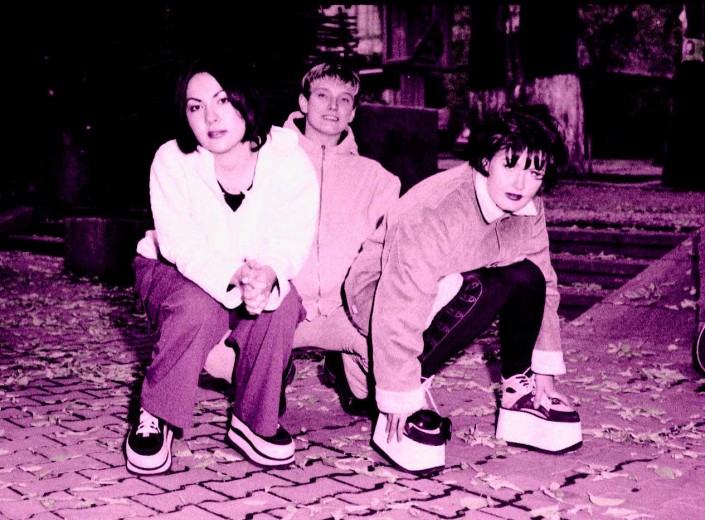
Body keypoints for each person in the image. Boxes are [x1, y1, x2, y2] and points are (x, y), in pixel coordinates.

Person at [344, 104, 582, 474]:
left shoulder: (530, 208)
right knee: (481, 288)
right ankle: (382, 373)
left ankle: (518, 394)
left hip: (448, 285)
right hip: (378, 297)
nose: (520, 184)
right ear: (486, 160)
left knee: (527, 277)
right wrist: (399, 395)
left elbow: (545, 285)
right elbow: (399, 301)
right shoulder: (436, 210)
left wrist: (544, 377)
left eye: (534, 172)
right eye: (510, 165)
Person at [124, 56, 319, 475]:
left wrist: (268, 275)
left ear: (246, 100)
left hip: (256, 270)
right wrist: (234, 276)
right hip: (171, 269)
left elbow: (292, 235)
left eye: (223, 100)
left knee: (282, 304)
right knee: (198, 307)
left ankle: (256, 420)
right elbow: (180, 244)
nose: (211, 117)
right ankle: (157, 412)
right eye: (196, 107)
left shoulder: (289, 159)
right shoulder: (171, 160)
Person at [204, 62, 401, 416]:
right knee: (220, 358)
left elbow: (387, 256)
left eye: (344, 99)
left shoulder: (377, 179)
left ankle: (348, 372)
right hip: (279, 309)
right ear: (303, 102)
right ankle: (274, 369)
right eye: (322, 96)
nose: (333, 106)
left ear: (353, 111)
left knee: (395, 371)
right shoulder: (263, 159)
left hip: (344, 313)